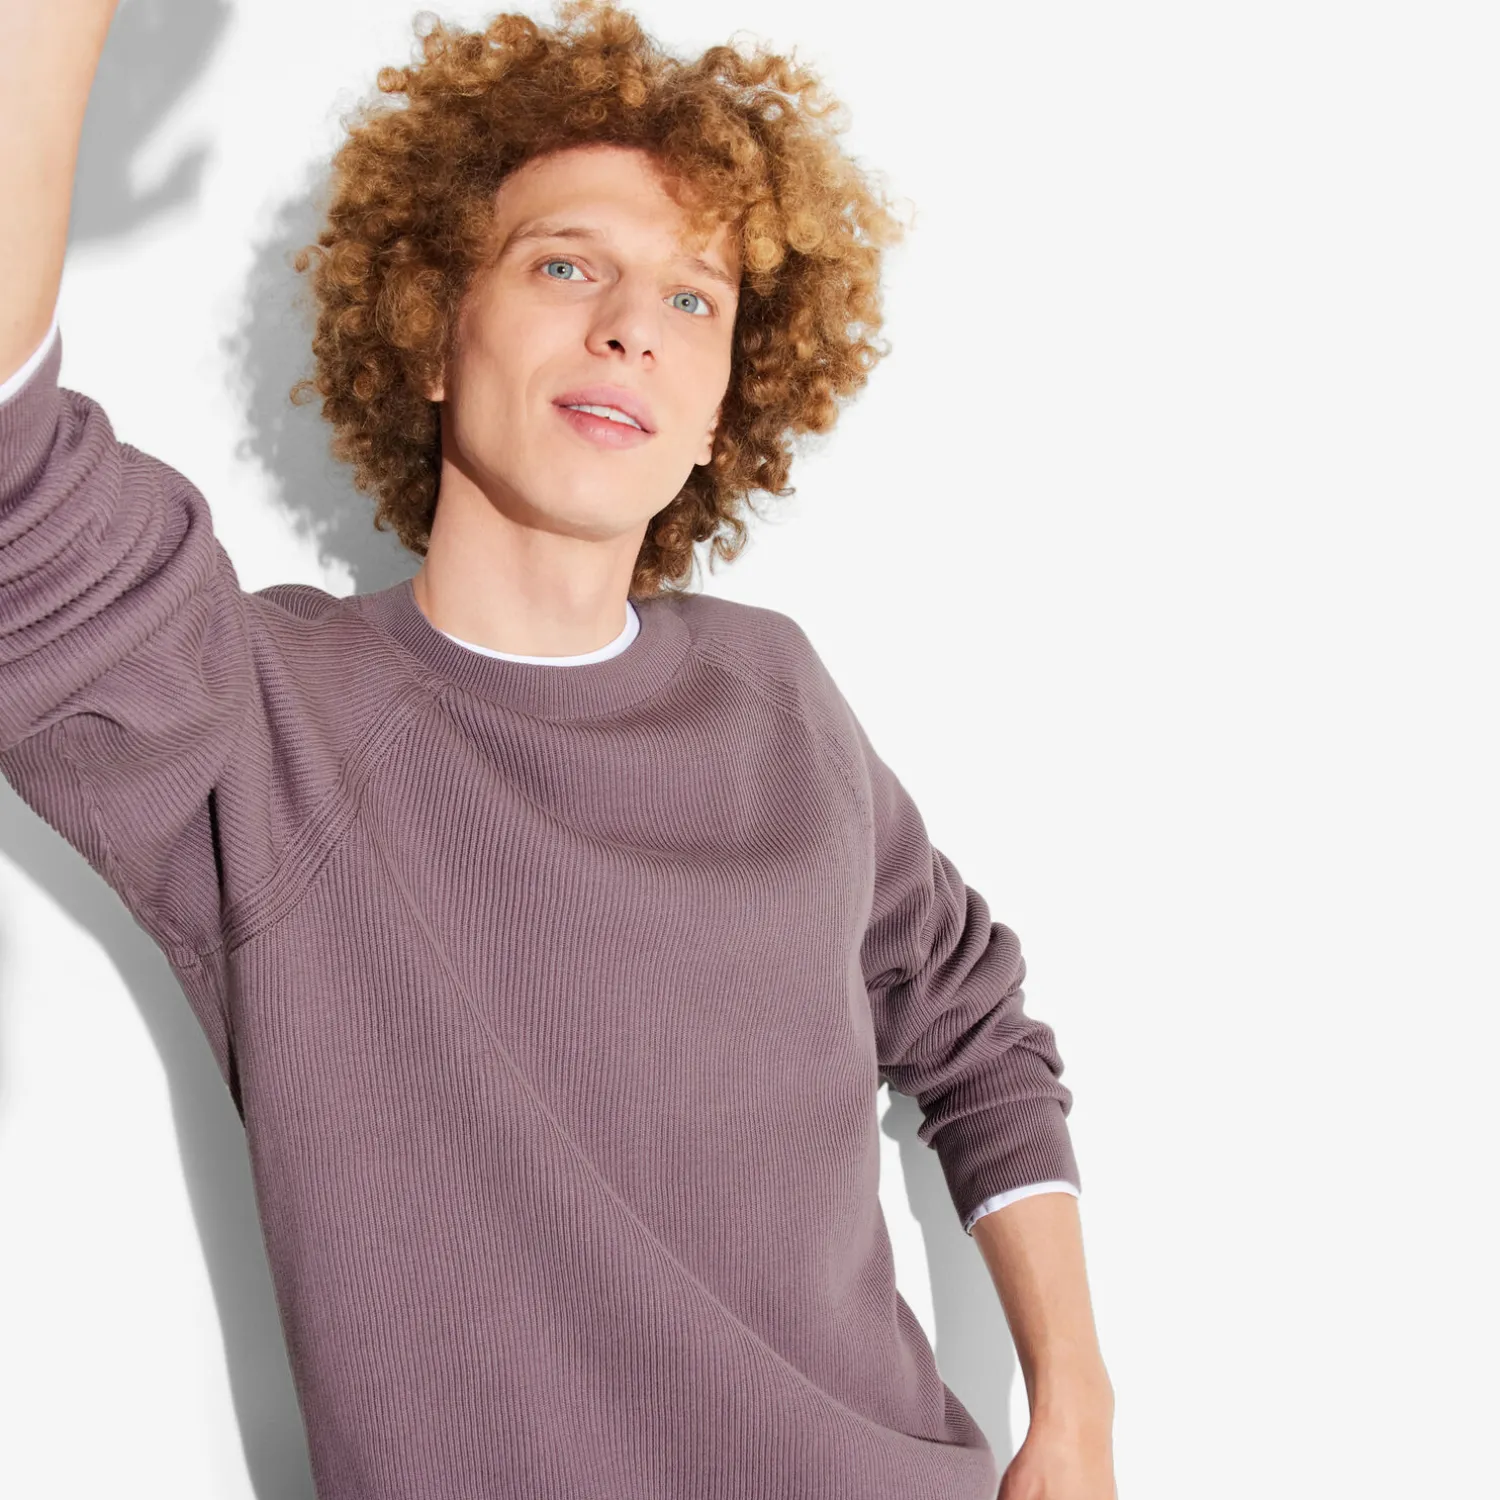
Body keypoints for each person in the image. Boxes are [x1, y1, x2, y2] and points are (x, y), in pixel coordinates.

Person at [0, 1, 1115, 1495]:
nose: (631, 326)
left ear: (717, 416)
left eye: (694, 298)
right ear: (432, 333)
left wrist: (1077, 1407)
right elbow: (13, 482)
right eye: (565, 265)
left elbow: (975, 1029)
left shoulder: (778, 696)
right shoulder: (267, 720)